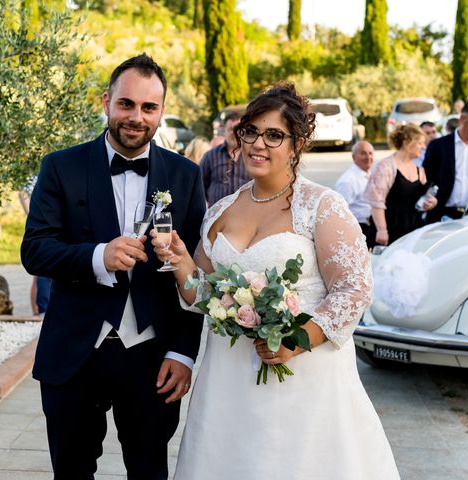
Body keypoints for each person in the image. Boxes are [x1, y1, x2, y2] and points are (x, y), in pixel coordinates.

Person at [151, 83, 400, 479]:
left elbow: (354, 289)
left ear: (296, 143)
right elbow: (203, 294)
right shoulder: (220, 210)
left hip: (304, 380)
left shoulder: (320, 206)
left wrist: (295, 341)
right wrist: (180, 259)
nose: (258, 144)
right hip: (228, 383)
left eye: (273, 135)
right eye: (250, 131)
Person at [20, 54, 206, 480]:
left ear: (160, 111)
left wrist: (183, 352)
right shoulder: (60, 166)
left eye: (148, 107)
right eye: (126, 104)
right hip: (74, 353)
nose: (136, 117)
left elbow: (196, 273)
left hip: (152, 358)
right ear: (106, 102)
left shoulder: (185, 175)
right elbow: (35, 251)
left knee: (149, 471)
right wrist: (96, 257)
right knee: (71, 472)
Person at [364, 124, 437, 246]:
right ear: (407, 142)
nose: (423, 147)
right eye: (419, 143)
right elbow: (376, 202)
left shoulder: (420, 170)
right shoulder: (386, 167)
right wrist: (382, 231)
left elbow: (422, 200)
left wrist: (431, 203)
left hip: (413, 228)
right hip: (389, 229)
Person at [200, 111, 251, 206]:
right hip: (216, 216)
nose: (234, 133)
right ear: (224, 131)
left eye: (238, 129)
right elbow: (200, 186)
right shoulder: (210, 156)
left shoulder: (252, 156)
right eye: (231, 129)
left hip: (245, 214)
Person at [19, 177, 51, 315]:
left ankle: (39, 312)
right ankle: (40, 312)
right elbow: (22, 194)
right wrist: (33, 216)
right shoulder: (35, 173)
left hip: (53, 225)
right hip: (42, 228)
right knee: (41, 273)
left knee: (39, 275)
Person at [334, 140, 374, 240]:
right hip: (358, 230)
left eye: (370, 153)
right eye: (363, 153)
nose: (368, 157)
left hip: (371, 227)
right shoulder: (347, 181)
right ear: (353, 157)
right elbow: (340, 213)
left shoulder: (369, 174)